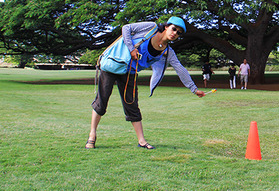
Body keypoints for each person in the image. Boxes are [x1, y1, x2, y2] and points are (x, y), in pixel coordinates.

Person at [86, 17, 205, 150]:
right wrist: (131, 48)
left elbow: (180, 69)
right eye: (173, 29)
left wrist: (194, 89)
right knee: (102, 101)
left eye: (178, 33)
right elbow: (126, 28)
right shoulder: (151, 28)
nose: (175, 33)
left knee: (132, 105)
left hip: (129, 72)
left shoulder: (168, 52)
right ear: (166, 27)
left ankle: (142, 141)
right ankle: (92, 135)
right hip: (113, 66)